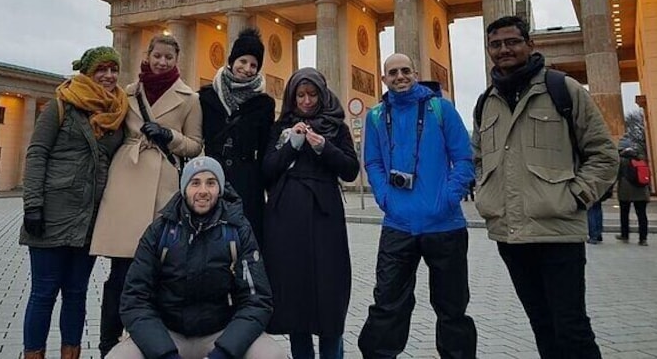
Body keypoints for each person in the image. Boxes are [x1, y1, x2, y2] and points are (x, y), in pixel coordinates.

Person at [472, 16, 617, 358]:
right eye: (496, 44)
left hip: (557, 231)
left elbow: (604, 154)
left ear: (530, 44)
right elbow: (478, 158)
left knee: (572, 329)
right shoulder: (486, 101)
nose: (504, 50)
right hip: (510, 235)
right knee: (542, 325)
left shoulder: (563, 89)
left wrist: (577, 196)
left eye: (512, 42)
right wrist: (485, 193)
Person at [91, 34, 204, 357]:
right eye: (157, 56)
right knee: (120, 273)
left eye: (168, 57)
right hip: (126, 179)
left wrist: (170, 136)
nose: (162, 62)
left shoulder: (190, 98)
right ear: (148, 55)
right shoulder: (127, 93)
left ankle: (150, 342)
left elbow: (196, 145)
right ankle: (108, 343)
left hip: (162, 185)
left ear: (177, 60)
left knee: (158, 271)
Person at [357, 54, 477, 359]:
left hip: (445, 224)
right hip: (398, 224)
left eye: (405, 71)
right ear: (383, 79)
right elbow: (372, 161)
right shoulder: (376, 116)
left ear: (415, 73)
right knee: (387, 303)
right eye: (392, 72)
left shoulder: (441, 109)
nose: (399, 76)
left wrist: (449, 197)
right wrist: (384, 197)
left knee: (452, 307)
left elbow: (464, 158)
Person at [108, 156, 285, 359]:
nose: (203, 191)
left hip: (222, 333)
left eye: (211, 183)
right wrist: (164, 354)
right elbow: (134, 299)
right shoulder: (160, 231)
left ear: (220, 189)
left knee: (272, 355)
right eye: (195, 183)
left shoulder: (238, 230)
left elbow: (257, 300)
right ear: (184, 189)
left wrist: (224, 352)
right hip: (167, 334)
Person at [20, 46, 128, 359]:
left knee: (76, 293)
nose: (109, 76)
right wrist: (33, 205)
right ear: (88, 72)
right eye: (101, 70)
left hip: (90, 218)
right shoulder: (61, 105)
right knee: (43, 293)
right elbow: (37, 153)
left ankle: (71, 354)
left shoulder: (118, 110)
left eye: (113, 70)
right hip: (53, 213)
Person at [262, 67, 359, 359]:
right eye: (300, 95)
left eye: (312, 95)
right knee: (295, 296)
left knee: (330, 293)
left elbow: (350, 170)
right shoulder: (282, 127)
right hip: (286, 218)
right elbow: (267, 171)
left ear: (322, 95)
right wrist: (291, 146)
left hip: (325, 217)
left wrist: (324, 148)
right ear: (292, 97)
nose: (306, 101)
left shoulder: (336, 127)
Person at [199, 27, 275, 246]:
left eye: (254, 65)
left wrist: (268, 187)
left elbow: (265, 148)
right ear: (232, 61)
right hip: (212, 179)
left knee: (246, 243)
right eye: (243, 61)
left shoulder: (264, 104)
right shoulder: (206, 97)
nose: (247, 68)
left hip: (248, 185)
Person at [616, 147, 650, 246]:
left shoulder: (621, 161)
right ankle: (643, 238)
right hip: (642, 192)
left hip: (625, 192)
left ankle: (625, 235)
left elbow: (616, 175)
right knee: (642, 215)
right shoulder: (641, 160)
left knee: (624, 214)